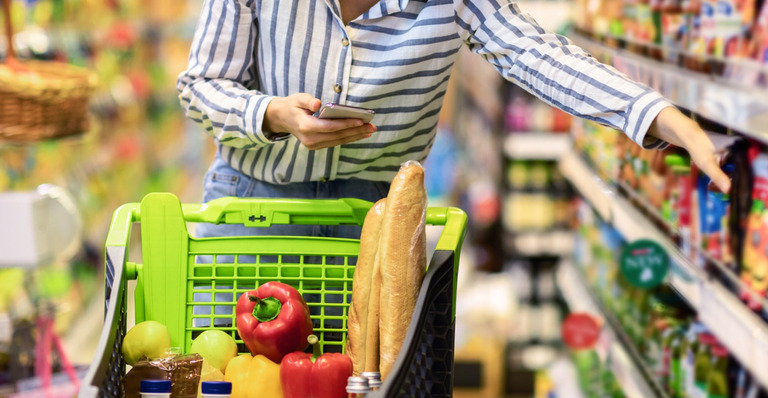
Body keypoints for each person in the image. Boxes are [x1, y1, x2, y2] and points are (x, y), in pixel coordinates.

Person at [177, 0, 731, 241]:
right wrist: (270, 112)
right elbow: (199, 85)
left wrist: (663, 118)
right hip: (253, 209)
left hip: (379, 221)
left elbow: (537, 55)